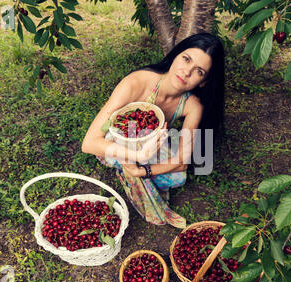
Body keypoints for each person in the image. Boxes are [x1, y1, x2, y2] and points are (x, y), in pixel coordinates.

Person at [81, 32, 225, 228]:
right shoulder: (136, 83)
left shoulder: (192, 105)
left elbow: (181, 163)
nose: (186, 72)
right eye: (186, 59)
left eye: (199, 71)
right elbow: (89, 143)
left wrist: (142, 171)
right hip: (116, 143)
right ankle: (125, 166)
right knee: (126, 145)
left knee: (177, 178)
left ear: (203, 82)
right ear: (176, 55)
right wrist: (137, 154)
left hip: (152, 144)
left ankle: (129, 169)